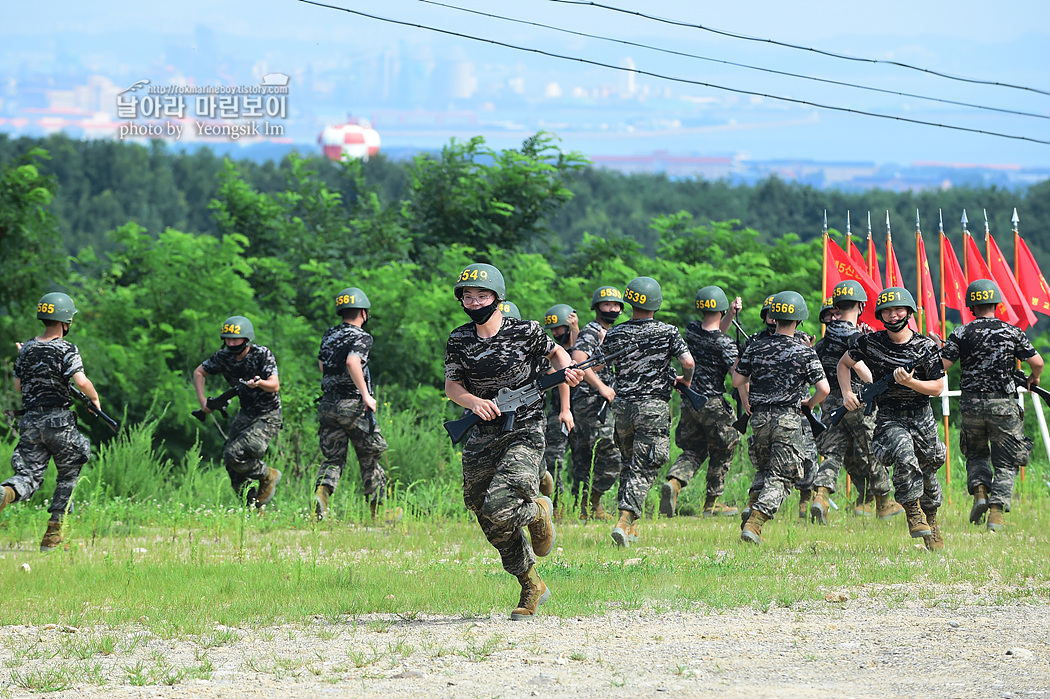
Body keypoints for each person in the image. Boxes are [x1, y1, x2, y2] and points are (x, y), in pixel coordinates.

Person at [444, 263, 583, 620]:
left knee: (500, 505)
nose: (475, 302)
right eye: (468, 296)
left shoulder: (526, 332)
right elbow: (452, 386)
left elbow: (557, 356)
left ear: (496, 297)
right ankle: (530, 582)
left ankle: (537, 510)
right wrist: (474, 403)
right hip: (482, 434)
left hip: (525, 429)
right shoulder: (459, 340)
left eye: (482, 295)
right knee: (482, 510)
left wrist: (566, 373)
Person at [838, 287, 947, 550]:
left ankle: (931, 520)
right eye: (887, 310)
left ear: (909, 312)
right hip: (889, 417)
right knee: (904, 456)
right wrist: (846, 394)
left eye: (898, 309)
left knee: (929, 472)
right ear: (880, 315)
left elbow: (937, 387)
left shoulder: (925, 347)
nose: (893, 314)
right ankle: (912, 512)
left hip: (922, 417)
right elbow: (844, 364)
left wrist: (911, 383)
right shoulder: (870, 343)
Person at [941, 279, 1042, 532]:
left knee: (976, 453)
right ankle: (996, 513)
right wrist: (1034, 379)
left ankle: (980, 492)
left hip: (971, 405)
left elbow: (942, 366)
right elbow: (1037, 362)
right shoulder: (1012, 332)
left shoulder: (961, 332)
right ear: (997, 304)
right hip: (1003, 405)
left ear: (971, 306)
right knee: (1006, 461)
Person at [1, 293, 99, 552]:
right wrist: (94, 399)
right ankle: (53, 535)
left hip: (31, 422)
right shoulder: (67, 349)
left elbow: (18, 385)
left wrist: (27, 359)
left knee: (28, 475)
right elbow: (80, 382)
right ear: (66, 320)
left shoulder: (28, 349)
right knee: (70, 471)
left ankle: (5, 493)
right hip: (60, 423)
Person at [602, 276, 694, 547]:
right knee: (645, 466)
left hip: (623, 409)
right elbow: (687, 362)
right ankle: (624, 520)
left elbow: (599, 365)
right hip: (652, 408)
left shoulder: (616, 332)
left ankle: (629, 530)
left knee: (629, 464)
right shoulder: (667, 331)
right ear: (656, 302)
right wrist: (685, 380)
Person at [733, 291, 829, 544]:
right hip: (789, 419)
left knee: (766, 468)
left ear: (773, 317)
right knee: (783, 475)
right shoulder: (805, 352)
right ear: (799, 320)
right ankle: (755, 523)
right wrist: (810, 403)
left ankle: (753, 502)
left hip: (760, 419)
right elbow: (824, 390)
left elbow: (737, 380)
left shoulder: (755, 346)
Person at [811, 281, 903, 523]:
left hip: (831, 404)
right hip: (856, 400)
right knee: (874, 450)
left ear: (837, 307)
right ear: (861, 305)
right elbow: (861, 367)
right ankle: (884, 504)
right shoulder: (855, 337)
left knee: (832, 453)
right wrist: (877, 386)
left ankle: (820, 497)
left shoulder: (824, 340)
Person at [314, 287, 399, 523]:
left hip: (328, 404)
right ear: (363, 312)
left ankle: (322, 494)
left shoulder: (329, 334)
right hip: (352, 405)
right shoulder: (361, 336)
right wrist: (366, 395)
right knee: (371, 456)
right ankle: (379, 512)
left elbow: (323, 366)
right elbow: (353, 362)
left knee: (333, 458)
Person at [661, 285, 742, 518]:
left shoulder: (693, 330)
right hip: (714, 403)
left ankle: (675, 483)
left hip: (689, 401)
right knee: (724, 449)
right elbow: (737, 377)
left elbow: (716, 331)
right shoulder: (725, 344)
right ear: (721, 307)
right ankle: (712, 503)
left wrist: (729, 316)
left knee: (693, 449)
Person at [193, 316, 282, 507]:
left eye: (236, 339)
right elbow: (199, 372)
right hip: (246, 413)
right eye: (228, 339)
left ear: (246, 338)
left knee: (238, 452)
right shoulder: (223, 356)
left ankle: (268, 475)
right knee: (231, 463)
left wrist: (259, 383)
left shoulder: (262, 354)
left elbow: (274, 386)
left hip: (268, 413)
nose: (231, 343)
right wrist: (203, 403)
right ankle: (252, 507)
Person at [570, 286, 624, 522]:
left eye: (616, 305)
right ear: (597, 307)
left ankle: (582, 507)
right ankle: (593, 501)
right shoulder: (593, 331)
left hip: (589, 401)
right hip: (591, 400)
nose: (612, 308)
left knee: (583, 456)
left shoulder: (608, 331)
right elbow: (579, 360)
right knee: (611, 454)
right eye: (607, 304)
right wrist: (601, 386)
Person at [539, 304, 578, 510]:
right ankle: (558, 506)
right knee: (554, 461)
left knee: (584, 462)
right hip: (558, 413)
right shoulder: (552, 353)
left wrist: (575, 330)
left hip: (584, 412)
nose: (555, 333)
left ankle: (586, 506)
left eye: (559, 328)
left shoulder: (583, 346)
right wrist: (565, 409)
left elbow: (581, 355)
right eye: (552, 329)